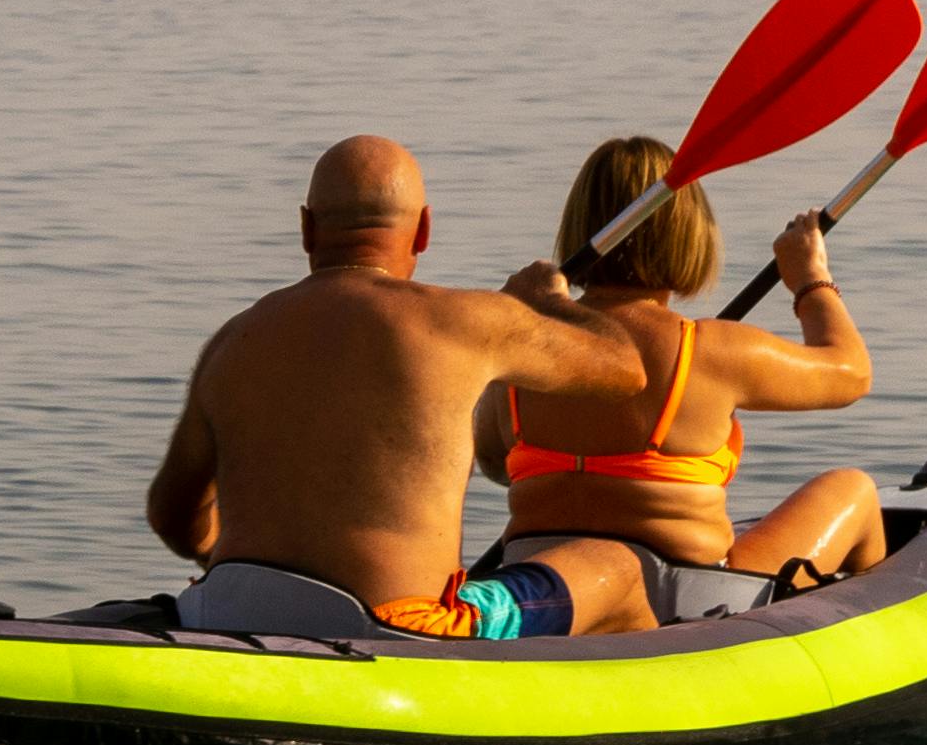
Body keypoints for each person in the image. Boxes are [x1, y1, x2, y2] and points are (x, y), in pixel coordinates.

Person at [144, 133, 655, 640]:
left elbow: (174, 514)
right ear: (424, 230)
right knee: (615, 567)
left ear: (306, 228)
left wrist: (236, 561)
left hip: (227, 609)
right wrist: (547, 302)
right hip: (394, 627)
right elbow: (623, 368)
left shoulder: (233, 341)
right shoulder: (465, 320)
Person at [471, 132, 885, 632]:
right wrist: (809, 278)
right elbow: (850, 372)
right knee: (854, 491)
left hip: (548, 583)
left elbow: (494, 461)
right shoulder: (711, 350)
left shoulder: (520, 351)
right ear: (688, 233)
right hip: (691, 600)